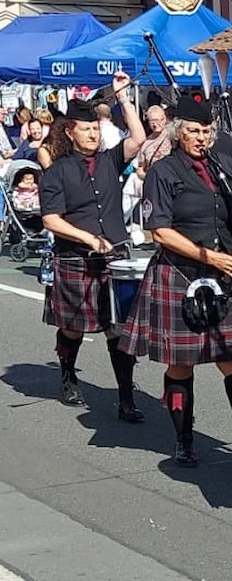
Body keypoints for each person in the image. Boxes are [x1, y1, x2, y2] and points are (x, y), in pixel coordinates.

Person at [118, 94, 232, 471]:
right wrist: (208, 256)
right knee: (181, 364)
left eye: (206, 131)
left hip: (223, 275)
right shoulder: (163, 172)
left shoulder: (223, 166)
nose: (201, 137)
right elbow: (159, 230)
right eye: (193, 130)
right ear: (178, 133)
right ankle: (183, 440)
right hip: (180, 275)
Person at [39, 73, 146, 417]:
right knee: (72, 326)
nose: (93, 134)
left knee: (119, 330)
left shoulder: (110, 160)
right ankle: (68, 376)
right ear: (70, 132)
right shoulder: (56, 171)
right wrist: (88, 238)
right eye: (86, 129)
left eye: (97, 129)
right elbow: (51, 220)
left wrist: (123, 98)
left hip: (114, 257)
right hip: (76, 259)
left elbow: (139, 137)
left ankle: (126, 397)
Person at [135, 105, 172, 180]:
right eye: (152, 121)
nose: (155, 125)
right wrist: (147, 178)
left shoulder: (173, 137)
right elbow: (140, 168)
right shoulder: (145, 143)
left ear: (164, 119)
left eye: (157, 120)